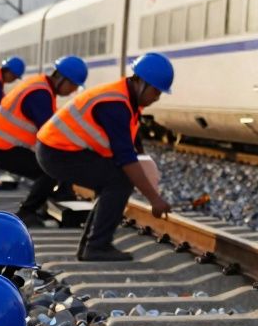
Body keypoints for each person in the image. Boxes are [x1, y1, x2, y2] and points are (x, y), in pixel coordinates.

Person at [36, 52, 174, 262]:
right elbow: (125, 158)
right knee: (119, 180)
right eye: (156, 91)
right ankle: (97, 246)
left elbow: (132, 144)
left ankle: (91, 246)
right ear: (142, 83)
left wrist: (146, 171)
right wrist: (154, 200)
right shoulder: (115, 104)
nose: (157, 97)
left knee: (114, 179)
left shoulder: (126, 100)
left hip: (60, 150)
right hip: (58, 153)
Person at [0, 56, 88, 223]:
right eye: (73, 85)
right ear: (61, 79)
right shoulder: (40, 94)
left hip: (1, 145)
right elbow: (49, 133)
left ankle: (54, 197)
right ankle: (26, 212)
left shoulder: (42, 87)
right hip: (2, 148)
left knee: (52, 167)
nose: (73, 90)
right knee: (50, 170)